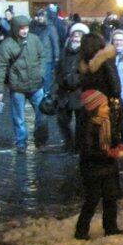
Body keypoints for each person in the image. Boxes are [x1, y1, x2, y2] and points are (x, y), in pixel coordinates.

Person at [73, 89, 123, 240]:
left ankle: (110, 227)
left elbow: (114, 138)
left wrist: (120, 146)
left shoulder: (107, 122)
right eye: (103, 107)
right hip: (93, 169)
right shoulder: (87, 127)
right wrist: (110, 153)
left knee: (111, 197)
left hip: (108, 166)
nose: (107, 109)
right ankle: (81, 231)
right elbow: (89, 151)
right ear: (94, 109)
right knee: (92, 199)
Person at [0, 14, 49, 153]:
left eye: (26, 27)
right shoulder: (7, 45)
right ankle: (21, 143)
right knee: (19, 118)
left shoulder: (34, 40)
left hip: (36, 85)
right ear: (15, 29)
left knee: (42, 115)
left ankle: (40, 141)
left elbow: (42, 55)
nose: (25, 30)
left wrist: (40, 72)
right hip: (17, 87)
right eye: (21, 28)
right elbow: (0, 68)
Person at [54, 22, 89, 151]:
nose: (76, 38)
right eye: (75, 35)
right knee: (62, 120)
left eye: (80, 36)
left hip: (79, 93)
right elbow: (58, 70)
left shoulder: (87, 54)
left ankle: (79, 146)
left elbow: (87, 72)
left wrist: (75, 80)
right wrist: (60, 82)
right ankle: (69, 143)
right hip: (64, 92)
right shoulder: (64, 52)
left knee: (81, 122)